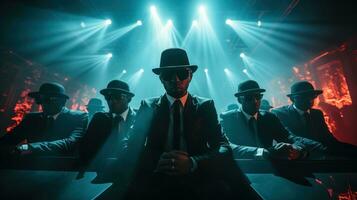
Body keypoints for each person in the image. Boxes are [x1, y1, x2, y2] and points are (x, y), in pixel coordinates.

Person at [124, 48, 261, 199]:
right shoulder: (148, 106)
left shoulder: (206, 106)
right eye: (168, 74)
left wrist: (192, 162)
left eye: (182, 73)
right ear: (161, 78)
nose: (175, 79)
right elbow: (131, 145)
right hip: (156, 178)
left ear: (190, 76)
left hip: (197, 179)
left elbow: (223, 147)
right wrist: (157, 160)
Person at [220, 80, 324, 160]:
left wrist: (298, 150)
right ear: (239, 100)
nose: (255, 101)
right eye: (249, 98)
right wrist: (263, 152)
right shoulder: (228, 118)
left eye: (258, 96)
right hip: (244, 170)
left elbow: (288, 137)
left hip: (270, 171)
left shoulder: (269, 117)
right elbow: (228, 146)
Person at [271, 80, 357, 157]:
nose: (309, 100)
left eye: (312, 96)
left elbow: (328, 138)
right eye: (303, 96)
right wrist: (324, 149)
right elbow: (290, 137)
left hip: (319, 155)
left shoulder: (317, 114)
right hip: (295, 158)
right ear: (292, 98)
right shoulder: (279, 113)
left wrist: (349, 149)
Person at [0, 82, 88, 156]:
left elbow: (70, 143)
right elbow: (8, 140)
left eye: (49, 99)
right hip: (29, 168)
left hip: (61, 169)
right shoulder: (32, 118)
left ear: (62, 101)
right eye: (40, 99)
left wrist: (25, 148)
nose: (43, 104)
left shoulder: (78, 117)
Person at [79, 80, 136, 168]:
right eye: (108, 97)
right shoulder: (99, 119)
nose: (112, 101)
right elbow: (86, 148)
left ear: (129, 99)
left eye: (117, 97)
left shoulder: (139, 117)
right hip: (100, 170)